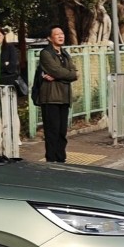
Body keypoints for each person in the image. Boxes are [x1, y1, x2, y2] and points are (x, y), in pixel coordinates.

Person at [38, 25, 78, 163]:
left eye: (62, 33)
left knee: (62, 132)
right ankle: (51, 160)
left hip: (64, 97)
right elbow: (56, 70)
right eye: (57, 34)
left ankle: (61, 159)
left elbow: (75, 74)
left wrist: (57, 76)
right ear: (50, 38)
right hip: (51, 98)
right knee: (52, 132)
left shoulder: (65, 54)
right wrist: (63, 74)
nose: (61, 36)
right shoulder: (46, 53)